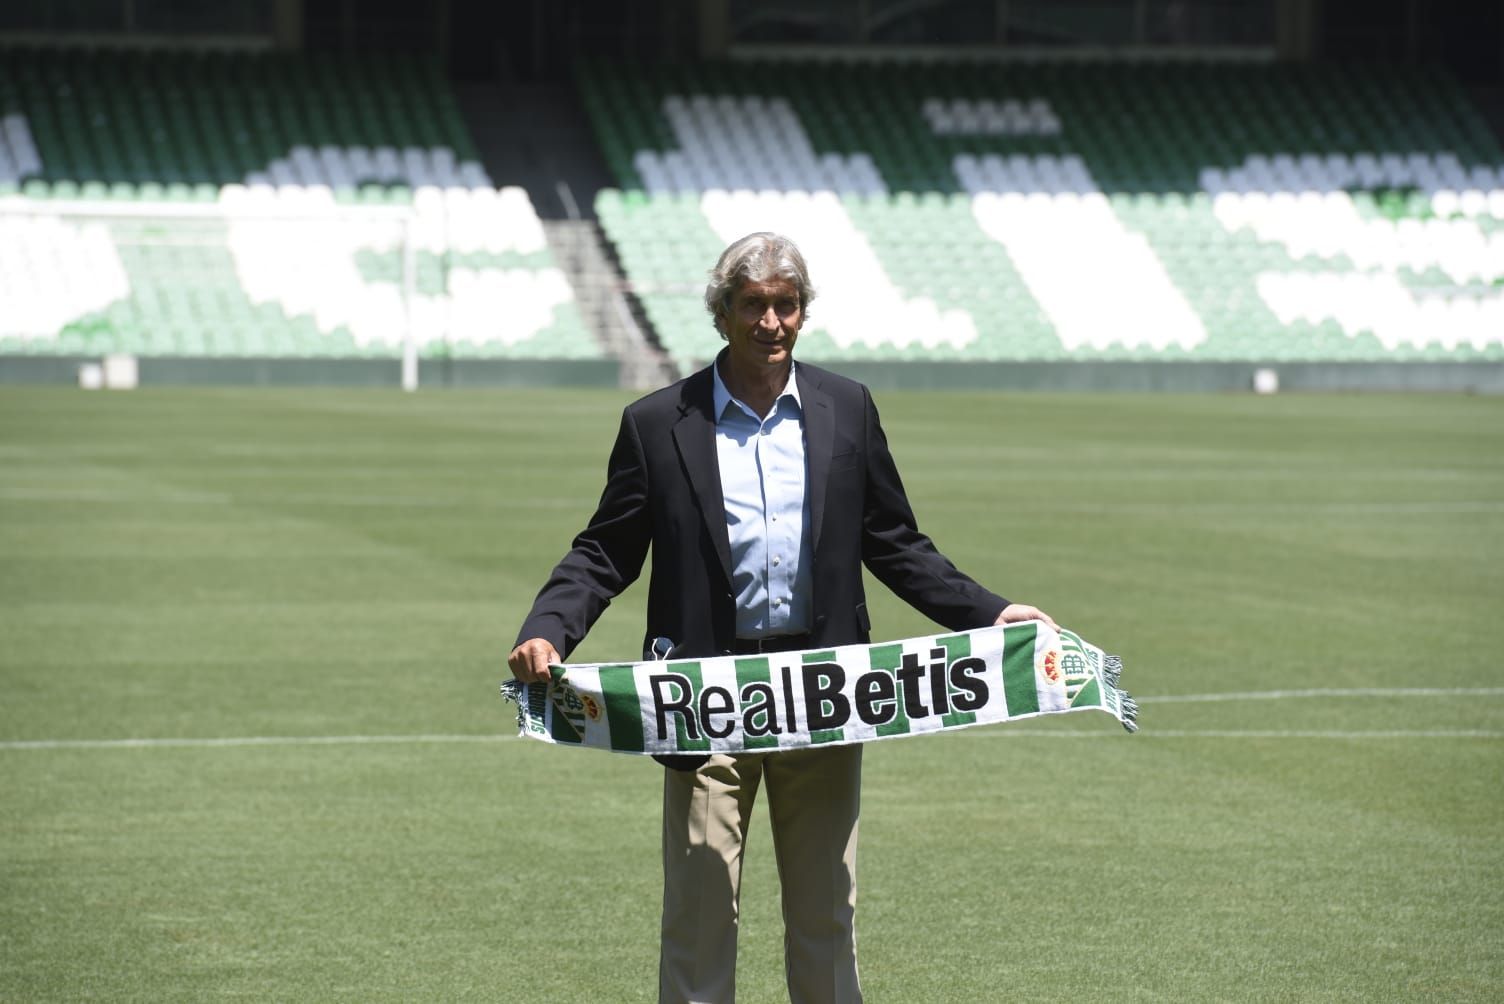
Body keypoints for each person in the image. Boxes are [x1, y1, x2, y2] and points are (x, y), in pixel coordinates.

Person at [508, 232, 1054, 1004]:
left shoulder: (848, 409)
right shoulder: (658, 422)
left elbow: (895, 543)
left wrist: (992, 613)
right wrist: (548, 627)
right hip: (704, 700)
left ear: (802, 312)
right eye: (754, 305)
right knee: (698, 919)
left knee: (826, 921)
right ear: (722, 313)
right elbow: (605, 551)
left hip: (825, 695)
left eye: (785, 305)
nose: (771, 322)